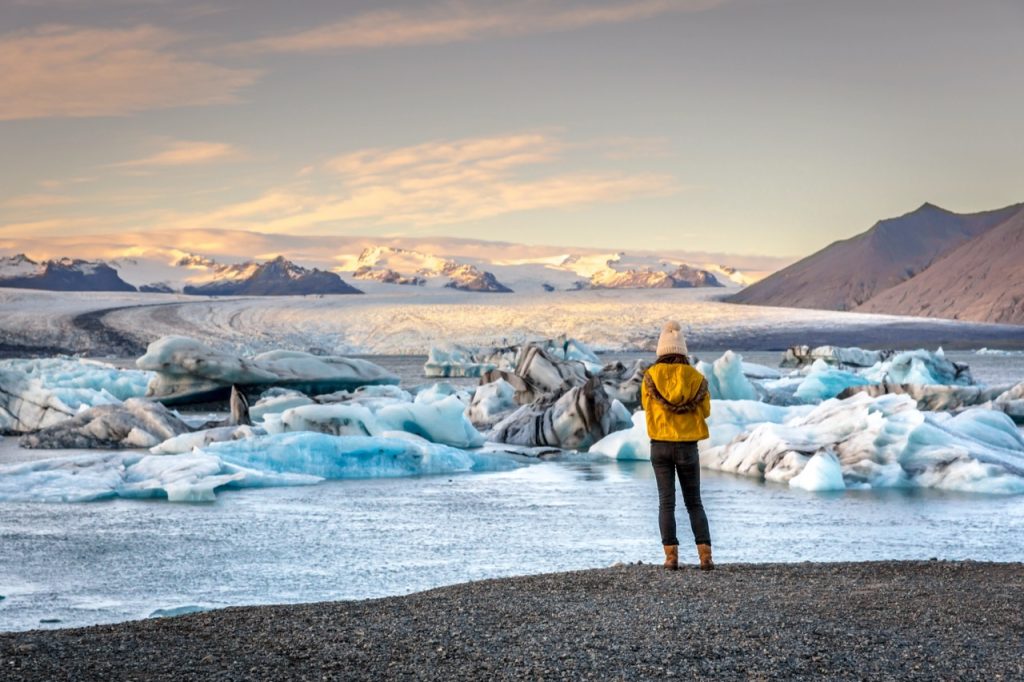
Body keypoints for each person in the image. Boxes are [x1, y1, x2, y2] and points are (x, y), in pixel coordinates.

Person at [641, 321, 714, 571]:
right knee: (694, 502)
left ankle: (671, 558)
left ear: (661, 350)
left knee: (666, 502)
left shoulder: (650, 377)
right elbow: (705, 410)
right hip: (687, 446)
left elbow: (646, 407)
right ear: (683, 350)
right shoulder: (697, 378)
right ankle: (705, 557)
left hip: (659, 446)